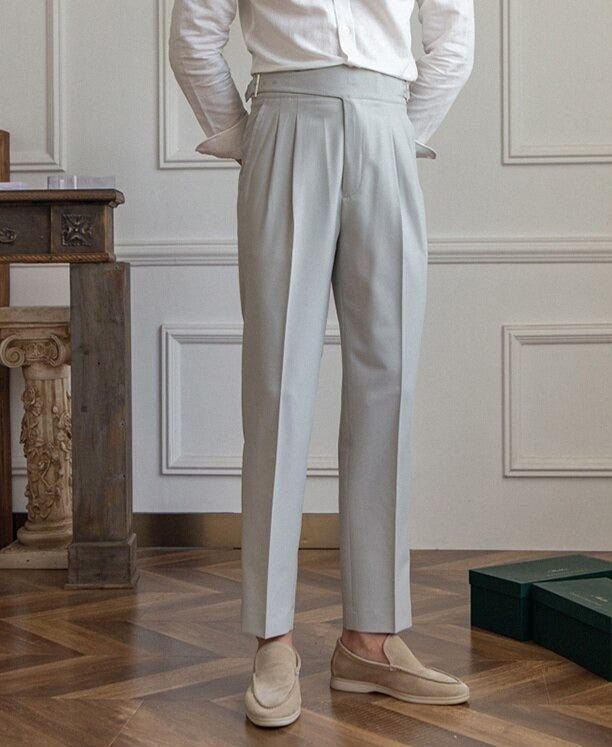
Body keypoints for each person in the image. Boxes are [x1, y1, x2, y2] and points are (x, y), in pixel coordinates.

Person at [169, 0, 475, 728]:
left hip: (386, 124)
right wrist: (250, 136)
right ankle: (271, 640)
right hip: (283, 121)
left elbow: (452, 38)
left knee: (387, 384)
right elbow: (193, 34)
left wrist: (397, 131)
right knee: (277, 387)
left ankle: (371, 639)